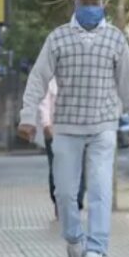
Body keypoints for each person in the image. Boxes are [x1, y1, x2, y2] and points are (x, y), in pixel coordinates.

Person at [17, 0, 129, 257]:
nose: (91, 8)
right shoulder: (58, 38)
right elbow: (38, 79)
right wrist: (27, 118)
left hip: (103, 126)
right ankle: (74, 239)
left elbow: (128, 84)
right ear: (75, 3)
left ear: (103, 4)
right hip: (66, 127)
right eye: (85, 2)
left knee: (100, 189)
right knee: (65, 193)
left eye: (95, 2)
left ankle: (96, 250)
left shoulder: (115, 39)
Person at [37, 78, 86, 219]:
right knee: (56, 169)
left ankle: (76, 203)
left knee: (78, 168)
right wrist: (46, 124)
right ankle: (59, 201)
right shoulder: (50, 81)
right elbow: (44, 103)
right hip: (55, 131)